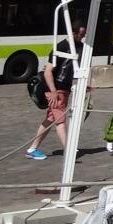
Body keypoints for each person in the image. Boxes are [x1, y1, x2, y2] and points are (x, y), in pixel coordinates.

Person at [26, 23, 88, 160]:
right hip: (54, 89)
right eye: (81, 34)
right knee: (60, 119)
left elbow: (77, 69)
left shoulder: (81, 47)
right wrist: (53, 91)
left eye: (84, 35)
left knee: (51, 118)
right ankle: (68, 150)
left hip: (65, 89)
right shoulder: (60, 47)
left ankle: (32, 148)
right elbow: (48, 71)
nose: (82, 37)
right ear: (73, 32)